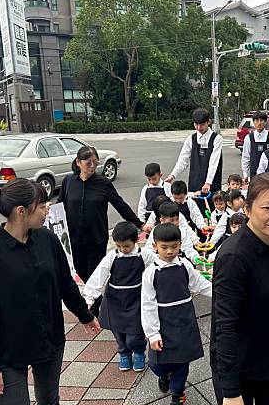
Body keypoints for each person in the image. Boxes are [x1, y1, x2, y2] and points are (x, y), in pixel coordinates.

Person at [0, 178, 100, 405]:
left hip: (49, 340)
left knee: (49, 404)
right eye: (42, 206)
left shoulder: (47, 239)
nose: (47, 210)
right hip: (8, 350)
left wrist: (85, 315)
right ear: (21, 211)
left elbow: (65, 283)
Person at [211, 172, 269, 405]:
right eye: (267, 208)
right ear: (247, 208)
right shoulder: (234, 256)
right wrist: (231, 392)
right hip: (240, 369)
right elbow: (225, 326)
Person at [59, 146, 146, 316]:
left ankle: (97, 309)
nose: (92, 166)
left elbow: (120, 205)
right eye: (88, 163)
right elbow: (60, 204)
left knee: (95, 274)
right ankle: (98, 301)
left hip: (96, 238)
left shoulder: (103, 184)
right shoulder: (68, 182)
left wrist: (140, 224)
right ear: (78, 163)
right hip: (74, 238)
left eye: (95, 163)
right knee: (80, 270)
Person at [141, 223, 212, 405]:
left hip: (185, 319)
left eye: (174, 246)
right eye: (164, 247)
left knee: (182, 361)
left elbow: (199, 283)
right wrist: (153, 334)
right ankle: (164, 375)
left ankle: (177, 394)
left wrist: (220, 294)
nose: (170, 251)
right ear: (155, 246)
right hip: (162, 321)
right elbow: (147, 304)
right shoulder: (151, 272)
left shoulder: (184, 265)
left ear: (180, 244)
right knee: (156, 363)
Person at [83, 222, 147, 373]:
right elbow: (99, 275)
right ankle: (124, 353)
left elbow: (155, 272)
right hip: (114, 299)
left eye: (126, 246)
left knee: (135, 331)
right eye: (119, 246)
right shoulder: (113, 256)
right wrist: (89, 298)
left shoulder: (144, 255)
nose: (123, 250)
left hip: (135, 299)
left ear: (136, 240)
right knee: (118, 331)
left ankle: (138, 352)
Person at [166, 108, 223, 213]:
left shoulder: (217, 138)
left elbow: (214, 162)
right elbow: (183, 160)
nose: (198, 127)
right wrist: (172, 175)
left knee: (212, 212)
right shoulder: (191, 139)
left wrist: (208, 182)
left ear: (208, 122)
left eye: (201, 124)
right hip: (194, 182)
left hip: (211, 184)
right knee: (195, 212)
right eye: (196, 124)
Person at [142, 200, 200, 265]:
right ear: (162, 220)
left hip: (178, 263)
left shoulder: (181, 231)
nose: (175, 223)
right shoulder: (156, 231)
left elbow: (188, 248)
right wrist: (158, 260)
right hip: (160, 265)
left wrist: (196, 258)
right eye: (171, 220)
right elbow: (149, 250)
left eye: (177, 219)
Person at [241, 111, 269, 183]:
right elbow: (246, 157)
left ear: (265, 122)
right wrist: (245, 174)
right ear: (253, 122)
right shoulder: (249, 138)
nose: (259, 123)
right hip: (254, 174)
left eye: (262, 120)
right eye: (257, 120)